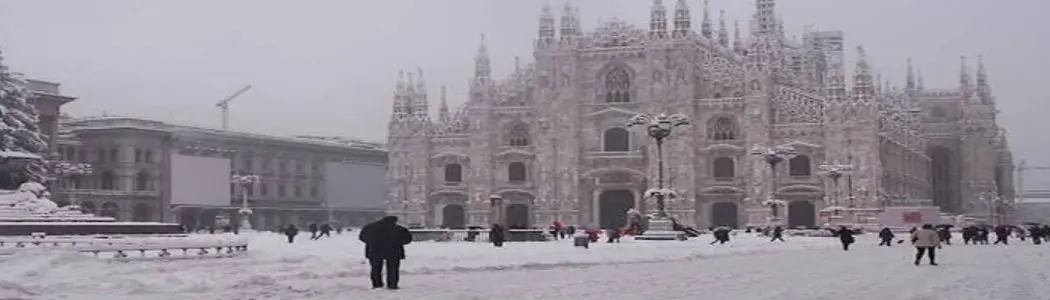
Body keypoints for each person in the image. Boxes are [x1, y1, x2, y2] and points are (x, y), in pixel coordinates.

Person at [359, 216, 412, 290]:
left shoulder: (370, 227)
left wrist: (372, 242)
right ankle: (392, 284)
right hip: (393, 251)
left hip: (375, 250)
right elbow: (408, 239)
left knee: (375, 268)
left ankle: (377, 284)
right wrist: (398, 242)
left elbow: (362, 237)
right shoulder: (399, 229)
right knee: (393, 269)